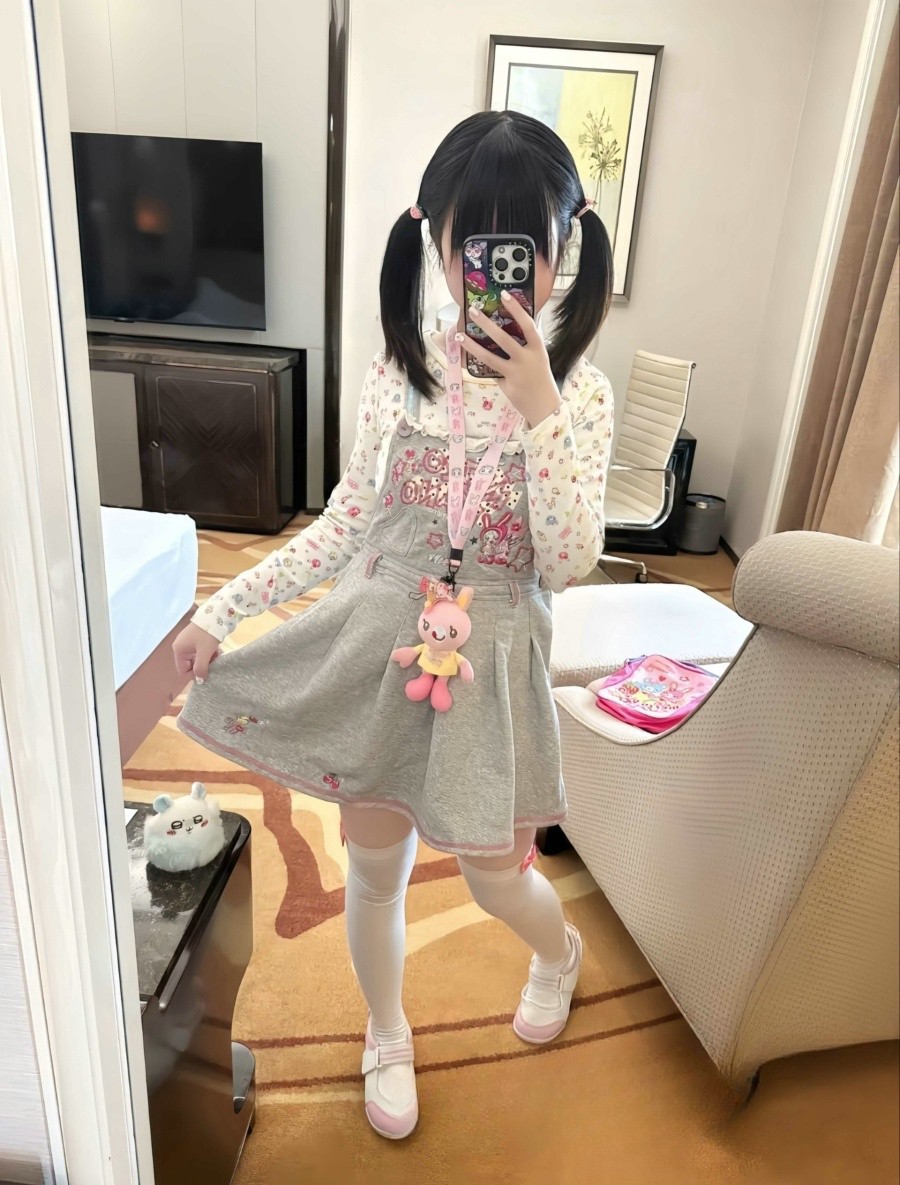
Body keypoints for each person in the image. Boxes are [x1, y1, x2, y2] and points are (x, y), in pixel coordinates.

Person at [173, 110, 615, 1140]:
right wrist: (224, 606)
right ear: (435, 239)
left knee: (497, 877)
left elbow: (568, 562)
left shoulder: (580, 394)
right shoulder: (398, 370)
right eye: (476, 247)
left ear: (565, 249)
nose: (497, 276)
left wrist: (540, 407)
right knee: (374, 871)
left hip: (494, 670)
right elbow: (344, 526)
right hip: (380, 651)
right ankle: (387, 1029)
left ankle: (559, 954)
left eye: (525, 249)